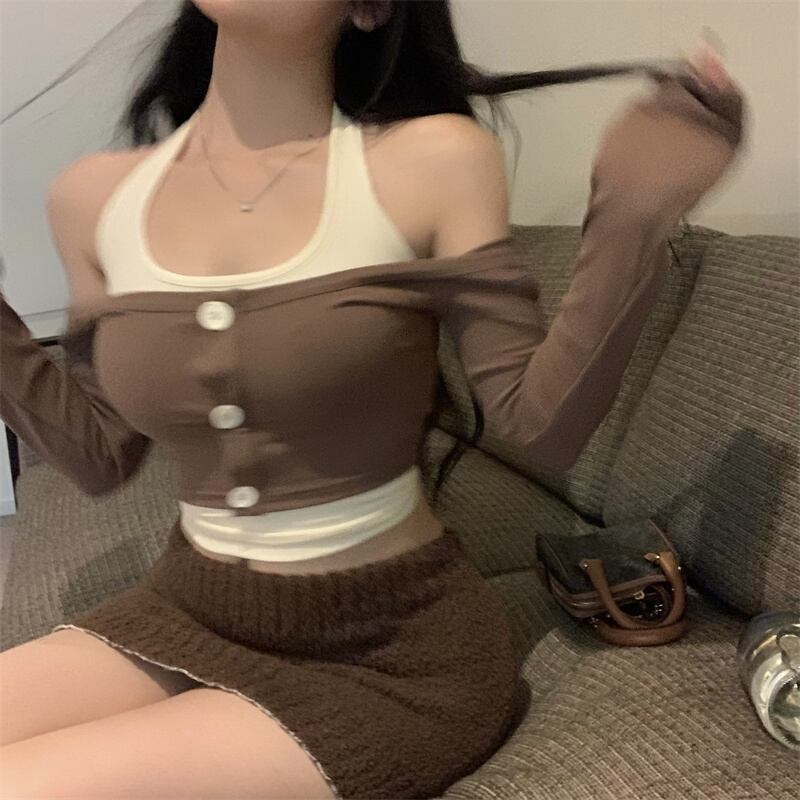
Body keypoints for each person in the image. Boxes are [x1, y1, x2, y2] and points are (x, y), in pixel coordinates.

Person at [0, 1, 746, 798]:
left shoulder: (432, 161)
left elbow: (542, 427)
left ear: (370, 5)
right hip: (187, 607)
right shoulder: (90, 198)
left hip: (389, 658)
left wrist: (632, 214)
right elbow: (100, 454)